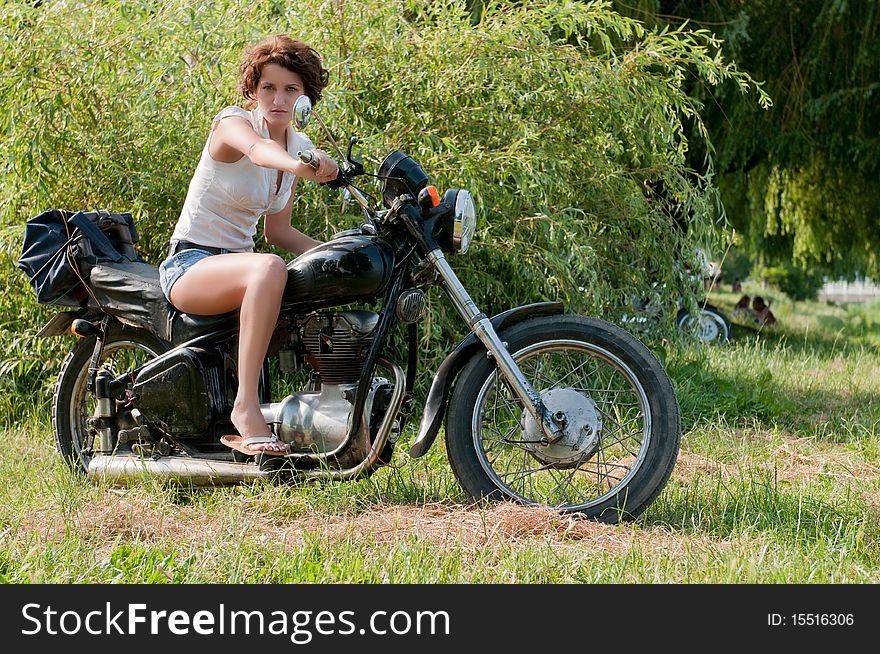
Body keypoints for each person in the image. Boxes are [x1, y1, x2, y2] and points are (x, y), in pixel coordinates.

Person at [158, 35, 339, 456]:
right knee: (270, 267)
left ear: (306, 97)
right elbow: (258, 152)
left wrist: (338, 249)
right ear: (252, 90)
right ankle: (245, 406)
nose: (279, 99)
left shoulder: (299, 148)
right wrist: (303, 165)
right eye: (269, 88)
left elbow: (280, 232)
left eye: (291, 89)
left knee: (308, 274)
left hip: (241, 269)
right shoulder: (232, 124)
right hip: (191, 263)